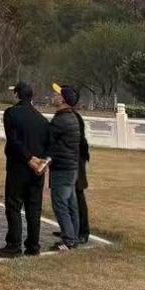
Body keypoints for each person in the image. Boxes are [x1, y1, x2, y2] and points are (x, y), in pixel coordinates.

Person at [0, 81, 50, 257]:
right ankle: (33, 245)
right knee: (34, 208)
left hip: (18, 167)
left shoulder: (11, 113)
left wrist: (28, 158)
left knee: (14, 206)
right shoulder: (42, 120)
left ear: (16, 95)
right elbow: (49, 146)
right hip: (37, 170)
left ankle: (14, 245)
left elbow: (14, 141)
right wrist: (42, 163)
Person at [48, 83, 83, 251]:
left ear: (63, 99)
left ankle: (68, 239)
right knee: (70, 203)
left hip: (62, 167)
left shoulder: (61, 120)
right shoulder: (72, 117)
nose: (54, 96)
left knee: (60, 204)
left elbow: (48, 138)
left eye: (57, 95)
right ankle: (73, 236)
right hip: (71, 167)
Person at [72, 90, 91, 244]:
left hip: (76, 160)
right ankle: (72, 227)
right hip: (73, 159)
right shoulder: (70, 116)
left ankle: (83, 231)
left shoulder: (74, 118)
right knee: (69, 197)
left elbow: (81, 142)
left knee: (78, 195)